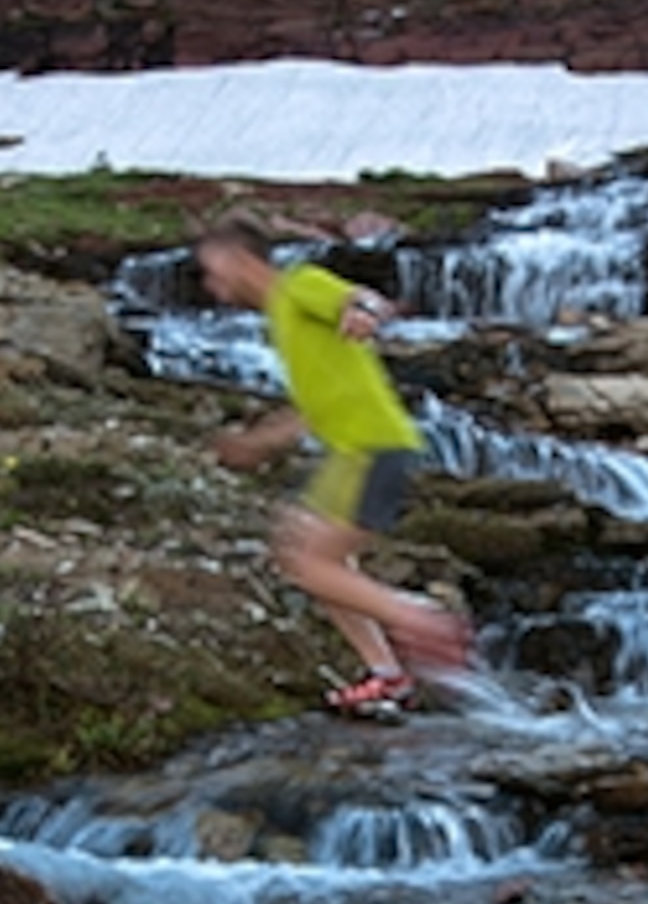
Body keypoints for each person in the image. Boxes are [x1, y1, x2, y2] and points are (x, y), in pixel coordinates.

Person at [196, 212, 473, 711]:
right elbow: (311, 408)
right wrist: (256, 443)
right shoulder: (281, 321)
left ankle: (422, 622)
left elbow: (354, 296)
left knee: (308, 561)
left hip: (371, 446)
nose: (211, 287)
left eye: (211, 271)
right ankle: (386, 673)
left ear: (237, 259)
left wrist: (365, 309)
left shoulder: (299, 286)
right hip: (354, 449)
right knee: (302, 546)